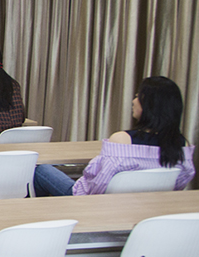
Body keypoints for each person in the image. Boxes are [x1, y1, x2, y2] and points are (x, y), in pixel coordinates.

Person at [33, 76, 195, 196]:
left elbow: (98, 185)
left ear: (149, 105)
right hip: (150, 210)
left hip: (94, 206)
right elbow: (180, 183)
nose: (133, 101)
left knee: (41, 170)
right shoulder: (182, 145)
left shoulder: (123, 140)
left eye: (138, 96)